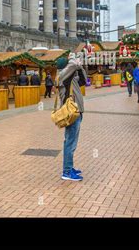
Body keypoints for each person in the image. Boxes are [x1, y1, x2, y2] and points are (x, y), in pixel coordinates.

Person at [57, 54, 87, 182]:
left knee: (71, 142)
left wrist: (80, 67)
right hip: (71, 114)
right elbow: (73, 65)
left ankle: (69, 167)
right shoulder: (62, 76)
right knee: (70, 143)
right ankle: (67, 172)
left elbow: (84, 80)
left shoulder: (70, 78)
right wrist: (73, 59)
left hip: (76, 112)